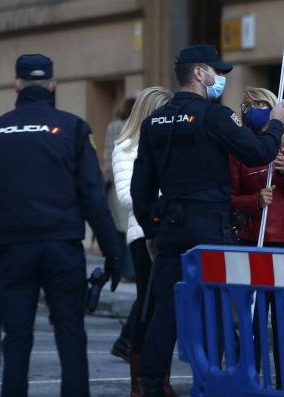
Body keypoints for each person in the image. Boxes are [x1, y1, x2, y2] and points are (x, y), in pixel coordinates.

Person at [0, 54, 123, 397]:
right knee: (71, 337)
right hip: (62, 249)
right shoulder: (74, 128)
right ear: (52, 85)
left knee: (16, 340)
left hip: (14, 251)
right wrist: (115, 254)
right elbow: (94, 199)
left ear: (17, 85)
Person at [131, 45, 284, 397]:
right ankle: (216, 383)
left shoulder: (153, 121)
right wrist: (277, 123)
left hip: (171, 224)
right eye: (217, 72)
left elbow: (141, 186)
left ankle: (152, 385)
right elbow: (259, 152)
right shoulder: (215, 116)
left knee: (165, 312)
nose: (221, 79)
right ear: (199, 74)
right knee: (220, 307)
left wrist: (151, 229)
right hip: (211, 226)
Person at [111, 87, 172, 397]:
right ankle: (139, 381)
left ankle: (161, 379)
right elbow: (126, 196)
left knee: (166, 308)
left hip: (172, 230)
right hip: (143, 232)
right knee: (147, 306)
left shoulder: (169, 143)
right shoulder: (125, 146)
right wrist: (164, 193)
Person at [231, 87, 284, 248]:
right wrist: (256, 200)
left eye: (259, 103)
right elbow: (230, 198)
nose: (252, 109)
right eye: (247, 106)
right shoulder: (238, 153)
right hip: (252, 238)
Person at [107, 96, 137, 361]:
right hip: (139, 218)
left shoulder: (116, 128)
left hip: (117, 185)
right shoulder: (127, 135)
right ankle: (129, 342)